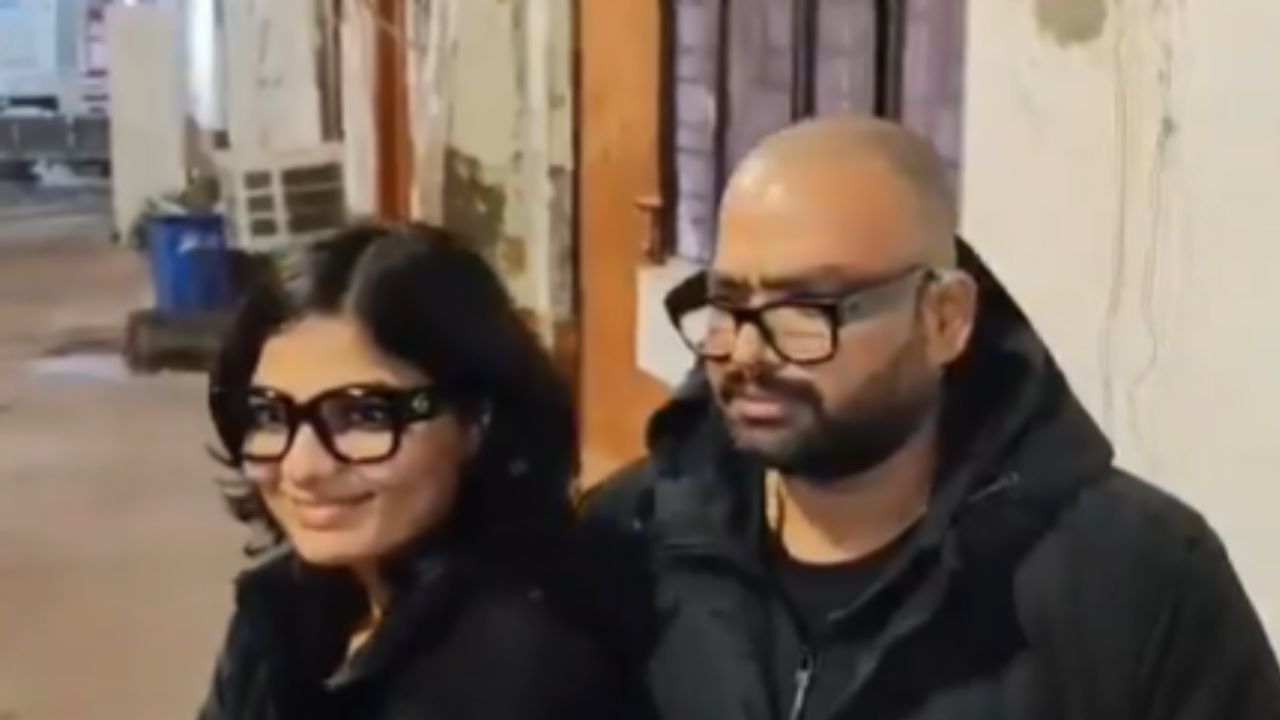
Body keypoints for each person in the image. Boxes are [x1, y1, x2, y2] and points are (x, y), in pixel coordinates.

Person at [581, 117, 1280, 720]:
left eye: (807, 309)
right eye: (728, 304)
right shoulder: (629, 543)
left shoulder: (1133, 578)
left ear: (944, 318)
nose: (747, 352)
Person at [200, 223, 624, 719]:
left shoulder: (520, 674)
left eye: (365, 415)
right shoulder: (286, 608)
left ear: (475, 420)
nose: (303, 467)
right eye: (271, 415)